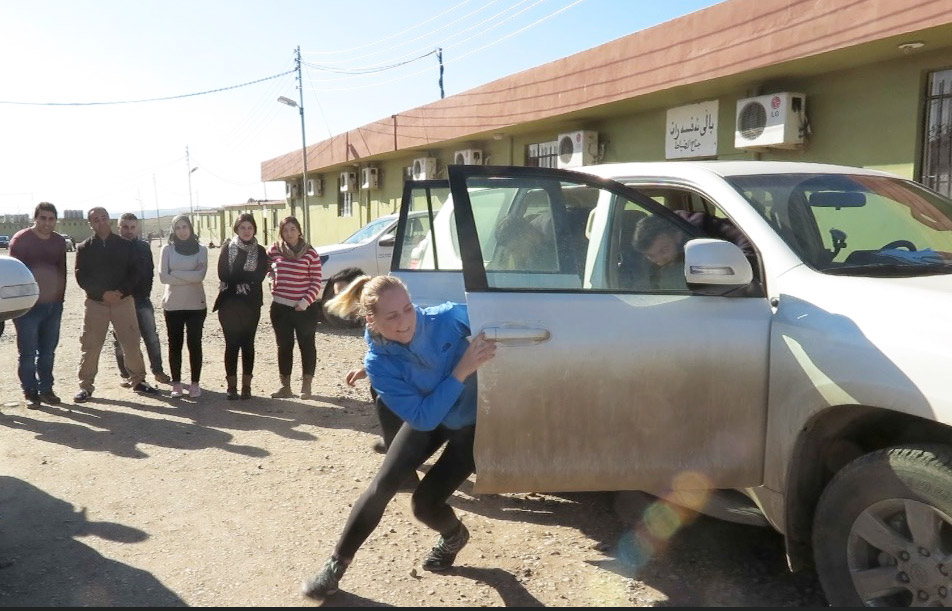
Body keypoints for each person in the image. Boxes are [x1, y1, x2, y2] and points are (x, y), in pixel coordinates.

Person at [301, 275, 496, 601]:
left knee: (424, 505)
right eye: (392, 316)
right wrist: (462, 369)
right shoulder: (378, 363)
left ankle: (452, 536)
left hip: (473, 426)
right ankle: (336, 566)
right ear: (371, 320)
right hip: (431, 416)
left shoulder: (446, 318)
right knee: (383, 485)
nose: (405, 321)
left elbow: (500, 321)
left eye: (408, 309)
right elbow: (423, 418)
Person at [74, 207, 159, 403]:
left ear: (110, 221)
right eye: (96, 219)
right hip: (96, 303)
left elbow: (135, 272)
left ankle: (138, 380)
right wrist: (101, 294)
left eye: (104, 218)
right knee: (91, 345)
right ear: (90, 224)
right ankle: (85, 386)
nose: (100, 222)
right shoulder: (84, 248)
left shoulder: (125, 245)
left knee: (130, 342)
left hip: (123, 301)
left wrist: (120, 292)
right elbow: (81, 276)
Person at [9, 202, 67, 407]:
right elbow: (14, 274)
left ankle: (46, 389)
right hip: (27, 307)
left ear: (55, 220)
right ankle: (30, 390)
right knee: (27, 352)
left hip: (53, 305)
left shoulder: (59, 241)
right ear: (35, 218)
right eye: (42, 218)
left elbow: (62, 271)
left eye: (51, 219)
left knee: (48, 350)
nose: (46, 223)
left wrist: (59, 299)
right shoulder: (21, 240)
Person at [111, 213, 172, 388]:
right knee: (122, 340)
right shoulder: (113, 248)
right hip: (120, 302)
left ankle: (158, 371)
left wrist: (145, 292)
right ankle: (127, 374)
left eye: (132, 227)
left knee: (151, 337)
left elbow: (150, 272)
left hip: (142, 300)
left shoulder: (144, 247)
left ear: (137, 227)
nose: (129, 231)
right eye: (125, 227)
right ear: (119, 227)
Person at [213, 213, 269, 400]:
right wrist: (244, 280)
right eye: (243, 227)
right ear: (236, 229)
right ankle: (231, 387)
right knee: (231, 345)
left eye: (250, 228)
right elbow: (223, 274)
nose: (246, 231)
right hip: (228, 305)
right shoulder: (227, 248)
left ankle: (246, 386)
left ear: (254, 230)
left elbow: (259, 276)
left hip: (251, 305)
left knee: (248, 344)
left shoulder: (260, 251)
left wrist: (238, 279)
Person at [266, 216, 322, 399]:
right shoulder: (274, 250)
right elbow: (267, 268)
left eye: (292, 229)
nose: (289, 234)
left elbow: (316, 281)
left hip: (304, 309)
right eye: (285, 230)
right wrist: (270, 279)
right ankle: (285, 386)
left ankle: (306, 386)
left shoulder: (310, 253)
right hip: (280, 308)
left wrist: (305, 302)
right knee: (284, 346)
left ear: (299, 230)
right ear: (281, 232)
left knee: (306, 345)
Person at [631, 210, 753, 290]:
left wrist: (746, 262)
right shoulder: (638, 263)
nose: (659, 260)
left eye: (664, 251)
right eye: (651, 256)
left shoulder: (699, 225)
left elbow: (745, 239)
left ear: (678, 236)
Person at [159, 215, 208, 398]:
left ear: (191, 228)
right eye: (178, 227)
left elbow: (200, 277)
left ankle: (195, 383)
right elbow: (164, 277)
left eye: (185, 227)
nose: (182, 231)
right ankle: (177, 383)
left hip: (196, 304)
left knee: (194, 344)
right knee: (175, 345)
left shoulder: (201, 249)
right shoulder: (167, 249)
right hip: (173, 305)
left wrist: (176, 273)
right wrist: (190, 274)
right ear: (174, 230)